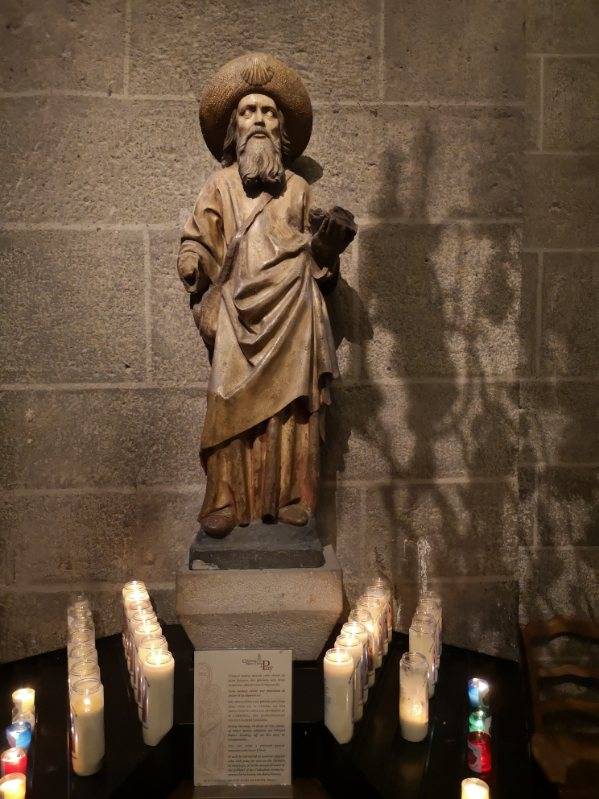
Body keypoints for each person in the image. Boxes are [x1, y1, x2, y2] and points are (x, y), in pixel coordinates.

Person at [177, 53, 355, 538]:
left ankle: (292, 496)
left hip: (294, 306)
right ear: (233, 127)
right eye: (248, 111)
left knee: (292, 407)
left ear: (282, 130)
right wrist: (192, 261)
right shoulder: (219, 185)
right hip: (237, 311)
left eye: (269, 112)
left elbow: (316, 256)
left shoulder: (298, 189)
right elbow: (200, 237)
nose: (258, 119)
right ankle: (224, 499)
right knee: (226, 399)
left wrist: (328, 248)